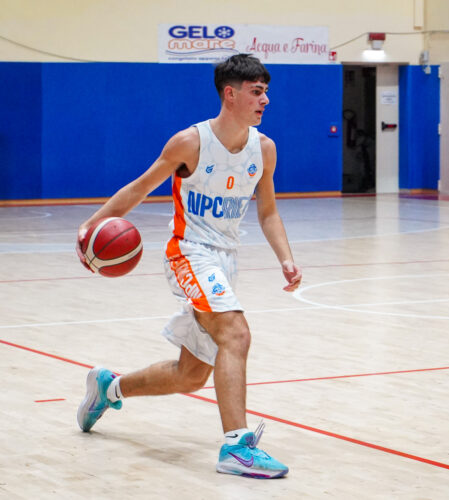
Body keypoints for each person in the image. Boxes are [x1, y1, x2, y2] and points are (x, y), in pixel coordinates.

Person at [76, 53, 302, 479]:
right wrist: (93, 224)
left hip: (226, 259)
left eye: (266, 92)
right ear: (230, 94)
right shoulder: (190, 143)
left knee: (191, 375)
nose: (265, 100)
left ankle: (110, 388)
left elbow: (268, 211)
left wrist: (285, 258)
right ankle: (237, 447)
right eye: (257, 92)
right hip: (188, 251)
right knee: (236, 333)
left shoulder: (264, 149)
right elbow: (140, 188)